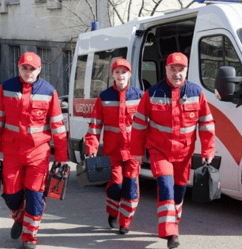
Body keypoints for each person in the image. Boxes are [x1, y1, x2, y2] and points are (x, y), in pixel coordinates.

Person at [131, 52, 215, 248]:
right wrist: (137, 151)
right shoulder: (152, 93)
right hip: (159, 150)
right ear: (166, 70)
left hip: (184, 153)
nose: (177, 73)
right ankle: (171, 233)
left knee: (178, 191)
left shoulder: (196, 93)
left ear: (186, 70)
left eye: (181, 69)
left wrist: (208, 151)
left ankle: (173, 222)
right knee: (166, 186)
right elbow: (139, 125)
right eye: (173, 69)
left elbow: (206, 124)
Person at [0, 52, 68, 249]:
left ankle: (29, 237)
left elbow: (58, 127)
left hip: (38, 153)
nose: (28, 72)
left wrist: (62, 157)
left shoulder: (49, 91)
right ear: (19, 67)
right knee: (12, 195)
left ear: (39, 69)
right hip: (12, 152)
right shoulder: (6, 87)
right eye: (25, 67)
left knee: (35, 195)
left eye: (33, 69)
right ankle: (20, 218)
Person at [84, 58, 142, 234]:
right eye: (117, 72)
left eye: (124, 72)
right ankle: (112, 212)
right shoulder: (104, 97)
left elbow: (147, 124)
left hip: (133, 153)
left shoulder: (139, 96)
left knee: (131, 188)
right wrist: (91, 148)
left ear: (129, 74)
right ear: (113, 74)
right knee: (116, 185)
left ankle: (125, 223)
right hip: (112, 152)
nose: (120, 75)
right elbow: (95, 125)